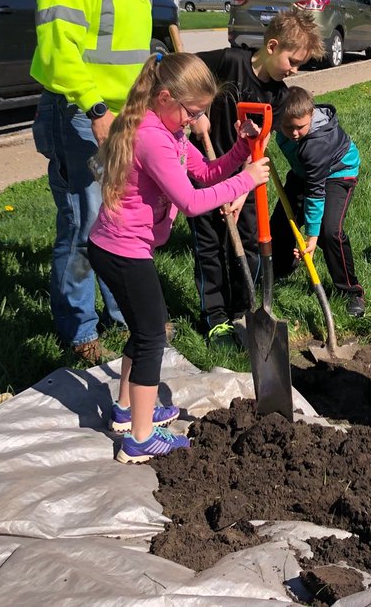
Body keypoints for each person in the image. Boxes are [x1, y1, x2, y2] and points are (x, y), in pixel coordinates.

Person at [87, 52, 269, 462]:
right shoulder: (152, 137)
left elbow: (204, 173)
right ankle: (138, 437)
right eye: (192, 112)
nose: (194, 120)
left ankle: (124, 410)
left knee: (141, 329)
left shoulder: (170, 132)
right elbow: (190, 201)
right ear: (165, 97)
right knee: (152, 335)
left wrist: (241, 149)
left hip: (120, 247)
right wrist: (246, 180)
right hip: (122, 251)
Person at [30, 0, 177, 365]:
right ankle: (79, 330)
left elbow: (130, 52)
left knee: (120, 219)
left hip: (124, 116)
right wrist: (95, 110)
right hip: (79, 113)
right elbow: (59, 51)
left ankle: (124, 310)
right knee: (83, 223)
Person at [190, 11, 323, 342]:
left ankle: (243, 310)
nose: (294, 70)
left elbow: (258, 147)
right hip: (203, 172)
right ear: (273, 46)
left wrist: (239, 193)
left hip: (243, 178)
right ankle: (215, 316)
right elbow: (184, 74)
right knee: (210, 245)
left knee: (249, 241)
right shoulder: (229, 61)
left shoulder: (278, 96)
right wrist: (196, 115)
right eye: (292, 61)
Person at [272, 86, 366, 317]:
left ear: (311, 115)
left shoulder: (316, 143)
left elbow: (315, 192)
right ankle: (283, 267)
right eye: (287, 127)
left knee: (329, 232)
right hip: (304, 171)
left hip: (337, 173)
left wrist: (311, 239)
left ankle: (351, 291)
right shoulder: (280, 121)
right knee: (280, 224)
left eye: (299, 127)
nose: (293, 133)